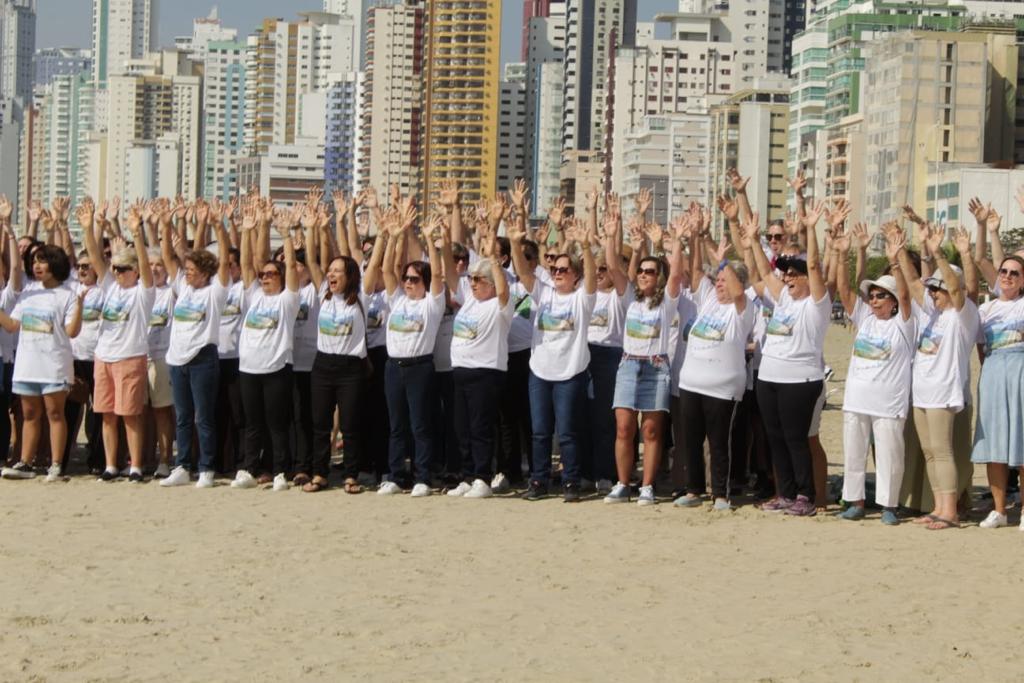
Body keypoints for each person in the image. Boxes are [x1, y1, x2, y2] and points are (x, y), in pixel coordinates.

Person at [744, 205, 831, 517]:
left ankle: (806, 496)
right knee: (774, 437)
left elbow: (817, 268)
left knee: (796, 439)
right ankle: (785, 493)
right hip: (769, 378)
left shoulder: (816, 305)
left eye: (796, 273)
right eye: (788, 273)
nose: (789, 277)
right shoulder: (782, 298)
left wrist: (809, 231)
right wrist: (754, 240)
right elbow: (766, 273)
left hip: (801, 381)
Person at [508, 200, 597, 503]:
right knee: (540, 432)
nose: (557, 273)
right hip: (540, 372)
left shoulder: (582, 299)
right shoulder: (543, 293)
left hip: (570, 373)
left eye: (563, 270)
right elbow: (523, 273)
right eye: (555, 269)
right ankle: (539, 480)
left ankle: (571, 481)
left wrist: (584, 246)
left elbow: (592, 278)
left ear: (575, 275)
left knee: (569, 432)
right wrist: (515, 243)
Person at [896, 222, 979, 530]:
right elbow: (915, 282)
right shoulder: (932, 313)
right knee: (930, 452)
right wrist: (900, 254)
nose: (932, 293)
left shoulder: (963, 314)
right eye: (933, 289)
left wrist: (939, 252)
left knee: (943, 451)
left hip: (944, 392)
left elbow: (957, 288)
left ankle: (951, 510)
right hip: (923, 391)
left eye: (938, 288)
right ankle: (938, 507)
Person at [833, 224, 915, 525]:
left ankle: (889, 505)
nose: (875, 299)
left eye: (882, 295)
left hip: (888, 403)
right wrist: (843, 255)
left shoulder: (904, 324)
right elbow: (844, 291)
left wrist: (895, 260)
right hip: (857, 399)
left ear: (892, 300)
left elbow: (907, 297)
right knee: (854, 454)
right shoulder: (865, 318)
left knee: (890, 456)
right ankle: (855, 501)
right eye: (874, 295)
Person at [604, 210, 686, 505]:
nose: (643, 275)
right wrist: (613, 234)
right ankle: (623, 483)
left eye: (650, 271)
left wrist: (675, 241)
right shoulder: (629, 298)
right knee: (624, 427)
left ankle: (647, 486)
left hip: (656, 365)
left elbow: (676, 273)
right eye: (641, 270)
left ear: (658, 277)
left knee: (651, 430)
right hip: (628, 364)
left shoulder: (666, 303)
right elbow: (613, 267)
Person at [672, 217, 754, 510]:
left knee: (719, 443)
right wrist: (698, 236)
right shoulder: (707, 300)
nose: (719, 285)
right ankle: (694, 490)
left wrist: (723, 263)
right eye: (717, 281)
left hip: (723, 388)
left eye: (724, 281)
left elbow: (738, 291)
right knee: (691, 440)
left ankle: (720, 493)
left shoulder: (742, 310)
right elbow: (695, 272)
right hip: (692, 382)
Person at [299, 193, 375, 493]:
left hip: (350, 367)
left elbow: (367, 258)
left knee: (351, 425)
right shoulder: (324, 294)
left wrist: (347, 218)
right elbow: (313, 260)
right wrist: (312, 228)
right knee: (320, 423)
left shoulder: (361, 298)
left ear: (350, 276)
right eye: (330, 272)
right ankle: (319, 474)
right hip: (323, 364)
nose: (331, 275)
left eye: (337, 272)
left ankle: (351, 475)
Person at [159, 202, 232, 488]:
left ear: (204, 272)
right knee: (183, 416)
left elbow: (224, 262)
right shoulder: (183, 288)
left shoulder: (215, 292)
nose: (186, 272)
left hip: (203, 357)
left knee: (204, 416)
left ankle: (206, 469)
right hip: (177, 360)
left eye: (191, 269)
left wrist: (218, 226)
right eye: (186, 269)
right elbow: (167, 256)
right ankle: (182, 466)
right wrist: (165, 225)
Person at [376, 198, 446, 497]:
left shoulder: (432, 304)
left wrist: (429, 240)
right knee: (396, 425)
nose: (407, 282)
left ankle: (423, 476)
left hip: (420, 366)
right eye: (406, 278)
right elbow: (386, 269)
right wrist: (396, 235)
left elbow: (439, 276)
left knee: (420, 425)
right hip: (394, 366)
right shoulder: (399, 300)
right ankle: (395, 474)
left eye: (414, 279)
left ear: (424, 283)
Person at [229, 205, 301, 492]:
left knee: (277, 423)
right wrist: (247, 230)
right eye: (264, 275)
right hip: (248, 368)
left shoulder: (287, 300)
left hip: (276, 368)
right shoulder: (254, 296)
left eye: (272, 274)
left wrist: (285, 235)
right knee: (252, 423)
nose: (265, 277)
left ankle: (281, 470)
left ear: (281, 277)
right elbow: (248, 265)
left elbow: (293, 269)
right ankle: (248, 467)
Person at [0, 244, 87, 481]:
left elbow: (72, 331)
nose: (36, 266)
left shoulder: (68, 294)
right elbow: (12, 325)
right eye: (35, 261)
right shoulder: (29, 291)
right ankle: (26, 463)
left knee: (55, 414)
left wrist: (79, 305)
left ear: (55, 264)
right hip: (28, 364)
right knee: (29, 414)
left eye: (42, 261)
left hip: (54, 364)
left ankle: (57, 464)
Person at [85, 204, 156, 483]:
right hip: (104, 356)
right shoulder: (111, 286)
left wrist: (137, 234)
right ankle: (111, 464)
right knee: (107, 414)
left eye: (123, 269)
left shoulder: (143, 293)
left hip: (130, 356)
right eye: (115, 268)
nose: (116, 273)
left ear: (134, 270)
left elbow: (146, 267)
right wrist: (91, 225)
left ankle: (135, 465)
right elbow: (93, 256)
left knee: (130, 415)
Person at [446, 221, 513, 498]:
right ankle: (468, 474)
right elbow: (450, 275)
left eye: (478, 279)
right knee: (462, 428)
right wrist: (439, 243)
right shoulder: (470, 300)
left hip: (486, 373)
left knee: (480, 428)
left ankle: (483, 477)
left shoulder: (500, 306)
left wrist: (493, 261)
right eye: (471, 279)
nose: (472, 283)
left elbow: (503, 289)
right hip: (461, 371)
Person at [971, 254, 1024, 529]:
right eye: (1004, 271)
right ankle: (1000, 510)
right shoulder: (985, 310)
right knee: (994, 445)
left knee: (1021, 443)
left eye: (1015, 273)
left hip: (1020, 370)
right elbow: (981, 348)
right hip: (993, 371)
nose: (1007, 276)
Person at [584, 189, 630, 493]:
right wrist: (592, 208)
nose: (600, 273)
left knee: (605, 420)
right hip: (584, 355)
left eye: (604, 269)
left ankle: (605, 472)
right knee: (583, 418)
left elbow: (617, 263)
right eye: (596, 269)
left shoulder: (619, 296)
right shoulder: (584, 293)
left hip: (610, 356)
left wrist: (615, 226)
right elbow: (587, 247)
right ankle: (584, 471)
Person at [146, 245, 176, 477]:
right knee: (138, 413)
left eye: (159, 265)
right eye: (150, 264)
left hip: (162, 357)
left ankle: (164, 460)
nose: (154, 269)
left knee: (162, 411)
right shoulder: (139, 290)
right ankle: (141, 459)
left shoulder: (172, 291)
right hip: (137, 356)